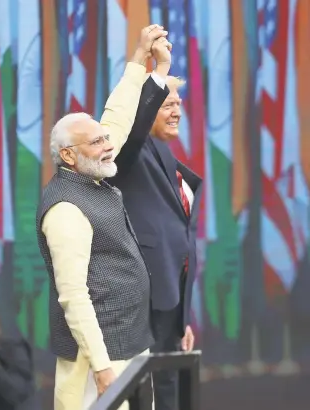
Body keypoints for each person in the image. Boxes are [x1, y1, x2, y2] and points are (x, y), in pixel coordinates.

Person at [36, 25, 172, 410]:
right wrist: (101, 367)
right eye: (97, 141)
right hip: (97, 362)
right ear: (68, 156)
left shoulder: (89, 168)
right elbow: (74, 297)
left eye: (103, 138)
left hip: (128, 345)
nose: (108, 144)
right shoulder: (65, 209)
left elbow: (116, 115)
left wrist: (140, 61)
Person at [109, 60, 203, 409]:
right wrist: (157, 72)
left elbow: (178, 235)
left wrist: (183, 314)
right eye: (167, 104)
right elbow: (133, 129)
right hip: (142, 292)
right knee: (143, 386)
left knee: (169, 385)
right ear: (146, 110)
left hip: (169, 296)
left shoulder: (162, 151)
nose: (177, 110)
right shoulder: (130, 151)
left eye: (179, 103)